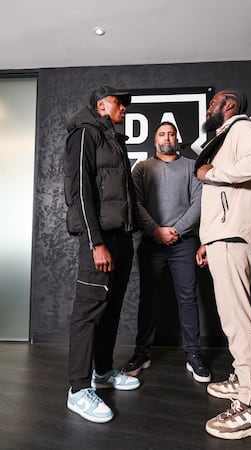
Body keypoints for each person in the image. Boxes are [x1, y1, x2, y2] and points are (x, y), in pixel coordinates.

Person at [195, 89, 251, 439]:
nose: (210, 107)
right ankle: (241, 379)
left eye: (215, 103)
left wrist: (213, 173)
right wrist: (206, 241)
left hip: (232, 237)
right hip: (221, 238)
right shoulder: (226, 135)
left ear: (230, 106)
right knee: (232, 316)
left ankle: (250, 406)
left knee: (236, 318)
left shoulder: (242, 127)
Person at [63, 85, 140, 424]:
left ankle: (103, 371)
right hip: (100, 239)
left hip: (121, 237)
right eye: (119, 103)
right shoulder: (84, 135)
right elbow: (81, 192)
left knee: (110, 308)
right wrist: (96, 243)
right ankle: (78, 390)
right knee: (88, 311)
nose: (123, 107)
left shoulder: (113, 140)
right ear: (102, 104)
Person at [122, 121, 211, 383]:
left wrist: (176, 231)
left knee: (188, 299)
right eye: (162, 133)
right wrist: (157, 231)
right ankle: (142, 353)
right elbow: (135, 203)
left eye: (171, 133)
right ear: (154, 139)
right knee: (148, 299)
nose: (167, 137)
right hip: (152, 242)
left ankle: (194, 356)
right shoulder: (142, 168)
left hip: (184, 243)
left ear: (177, 138)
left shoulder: (191, 166)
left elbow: (199, 202)